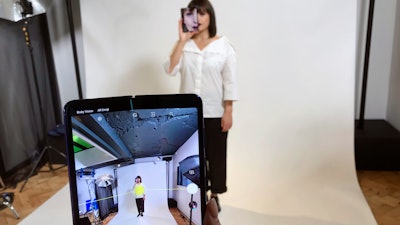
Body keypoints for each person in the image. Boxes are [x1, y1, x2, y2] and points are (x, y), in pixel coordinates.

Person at [164, 0, 238, 212]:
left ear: (210, 16)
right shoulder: (184, 45)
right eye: (193, 13)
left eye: (203, 13)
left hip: (215, 111)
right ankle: (199, 192)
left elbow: (230, 81)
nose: (198, 18)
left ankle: (215, 195)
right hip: (188, 113)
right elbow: (170, 69)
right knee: (193, 155)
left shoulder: (223, 45)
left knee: (216, 154)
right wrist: (181, 40)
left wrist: (229, 111)